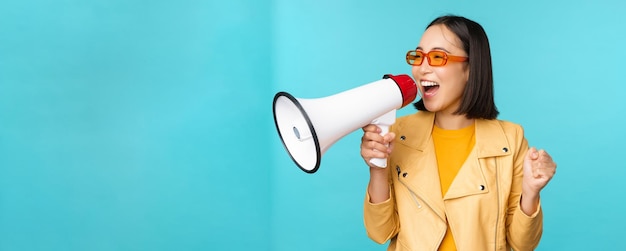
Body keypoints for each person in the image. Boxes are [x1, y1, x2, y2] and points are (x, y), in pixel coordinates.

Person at [360, 15, 557, 251]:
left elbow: (522, 244)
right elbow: (380, 232)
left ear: (471, 68)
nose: (422, 68)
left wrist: (531, 193)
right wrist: (377, 167)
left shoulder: (510, 139)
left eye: (436, 57)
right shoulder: (399, 134)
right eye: (418, 56)